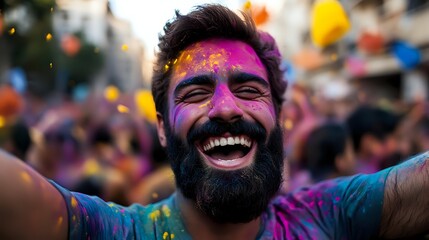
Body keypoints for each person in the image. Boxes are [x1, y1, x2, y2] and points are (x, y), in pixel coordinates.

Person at [1, 4, 429, 239]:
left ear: (278, 116)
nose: (226, 108)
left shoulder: (332, 218)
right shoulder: (113, 232)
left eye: (248, 90)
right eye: (196, 92)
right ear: (163, 127)